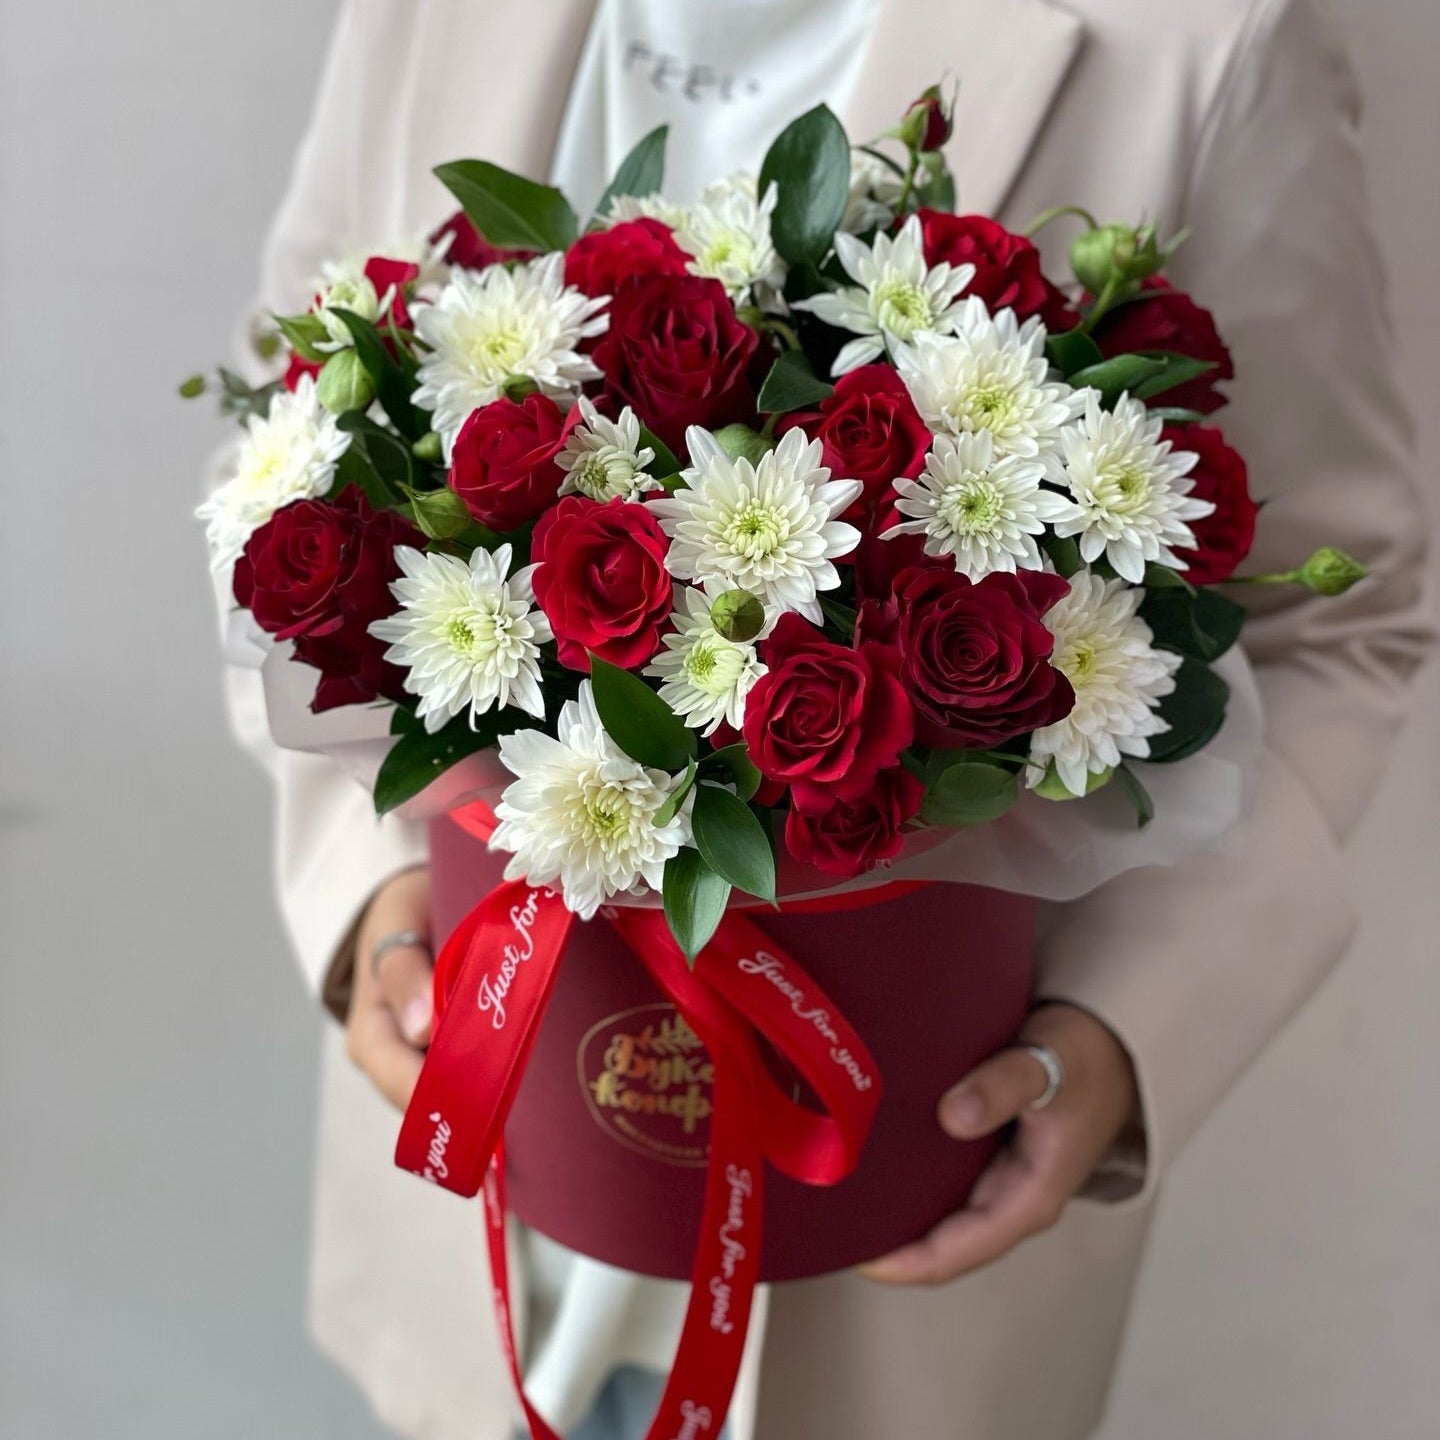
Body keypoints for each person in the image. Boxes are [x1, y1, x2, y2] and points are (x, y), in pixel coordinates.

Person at [209, 2, 1435, 1437]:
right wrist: (366, 902)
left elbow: (1341, 616)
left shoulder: (1212, 35)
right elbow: (278, 447)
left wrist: (1129, 1027)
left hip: (910, 1197)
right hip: (482, 1154)